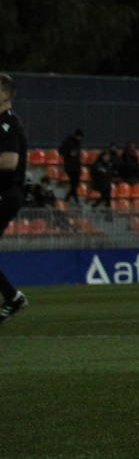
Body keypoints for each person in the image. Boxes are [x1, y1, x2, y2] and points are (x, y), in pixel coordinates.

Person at [0, 74, 31, 326]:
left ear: (5, 95)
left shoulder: (8, 123)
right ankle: (12, 297)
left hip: (6, 194)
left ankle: (13, 297)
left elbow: (9, 162)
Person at [59, 127, 84, 203]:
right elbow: (61, 151)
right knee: (74, 184)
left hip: (76, 166)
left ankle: (69, 199)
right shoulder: (68, 141)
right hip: (70, 166)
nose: (80, 138)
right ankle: (72, 200)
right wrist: (69, 153)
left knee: (75, 184)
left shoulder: (78, 143)